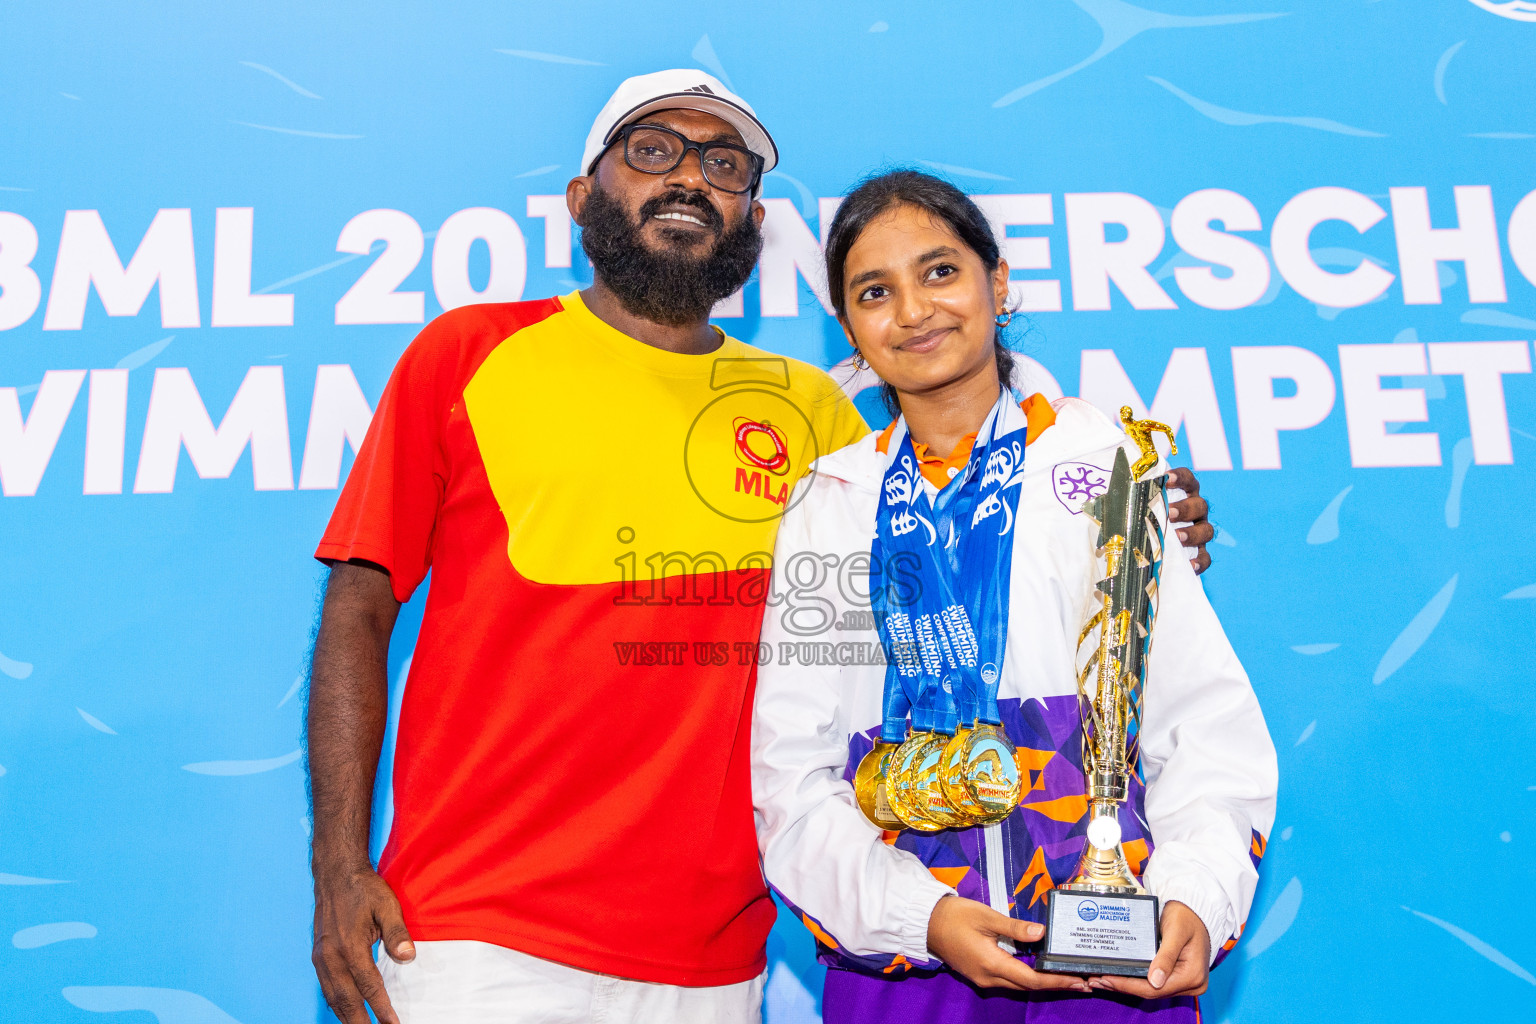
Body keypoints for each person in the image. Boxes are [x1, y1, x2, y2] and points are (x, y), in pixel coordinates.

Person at [305, 68, 1217, 1024]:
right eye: (654, 150)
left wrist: (1132, 518)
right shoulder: (469, 355)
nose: (692, 177)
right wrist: (338, 867)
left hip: (716, 960)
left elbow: (987, 521)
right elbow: (359, 606)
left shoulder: (821, 417)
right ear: (583, 198)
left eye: (726, 164)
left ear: (755, 220)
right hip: (473, 935)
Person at [750, 170, 1275, 1023]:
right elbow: (790, 769)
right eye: (874, 291)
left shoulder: (1105, 459)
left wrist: (1195, 894)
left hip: (1112, 958)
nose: (914, 311)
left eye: (941, 272)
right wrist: (917, 916)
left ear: (998, 282)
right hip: (907, 973)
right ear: (846, 327)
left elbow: (1200, 718)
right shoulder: (830, 499)